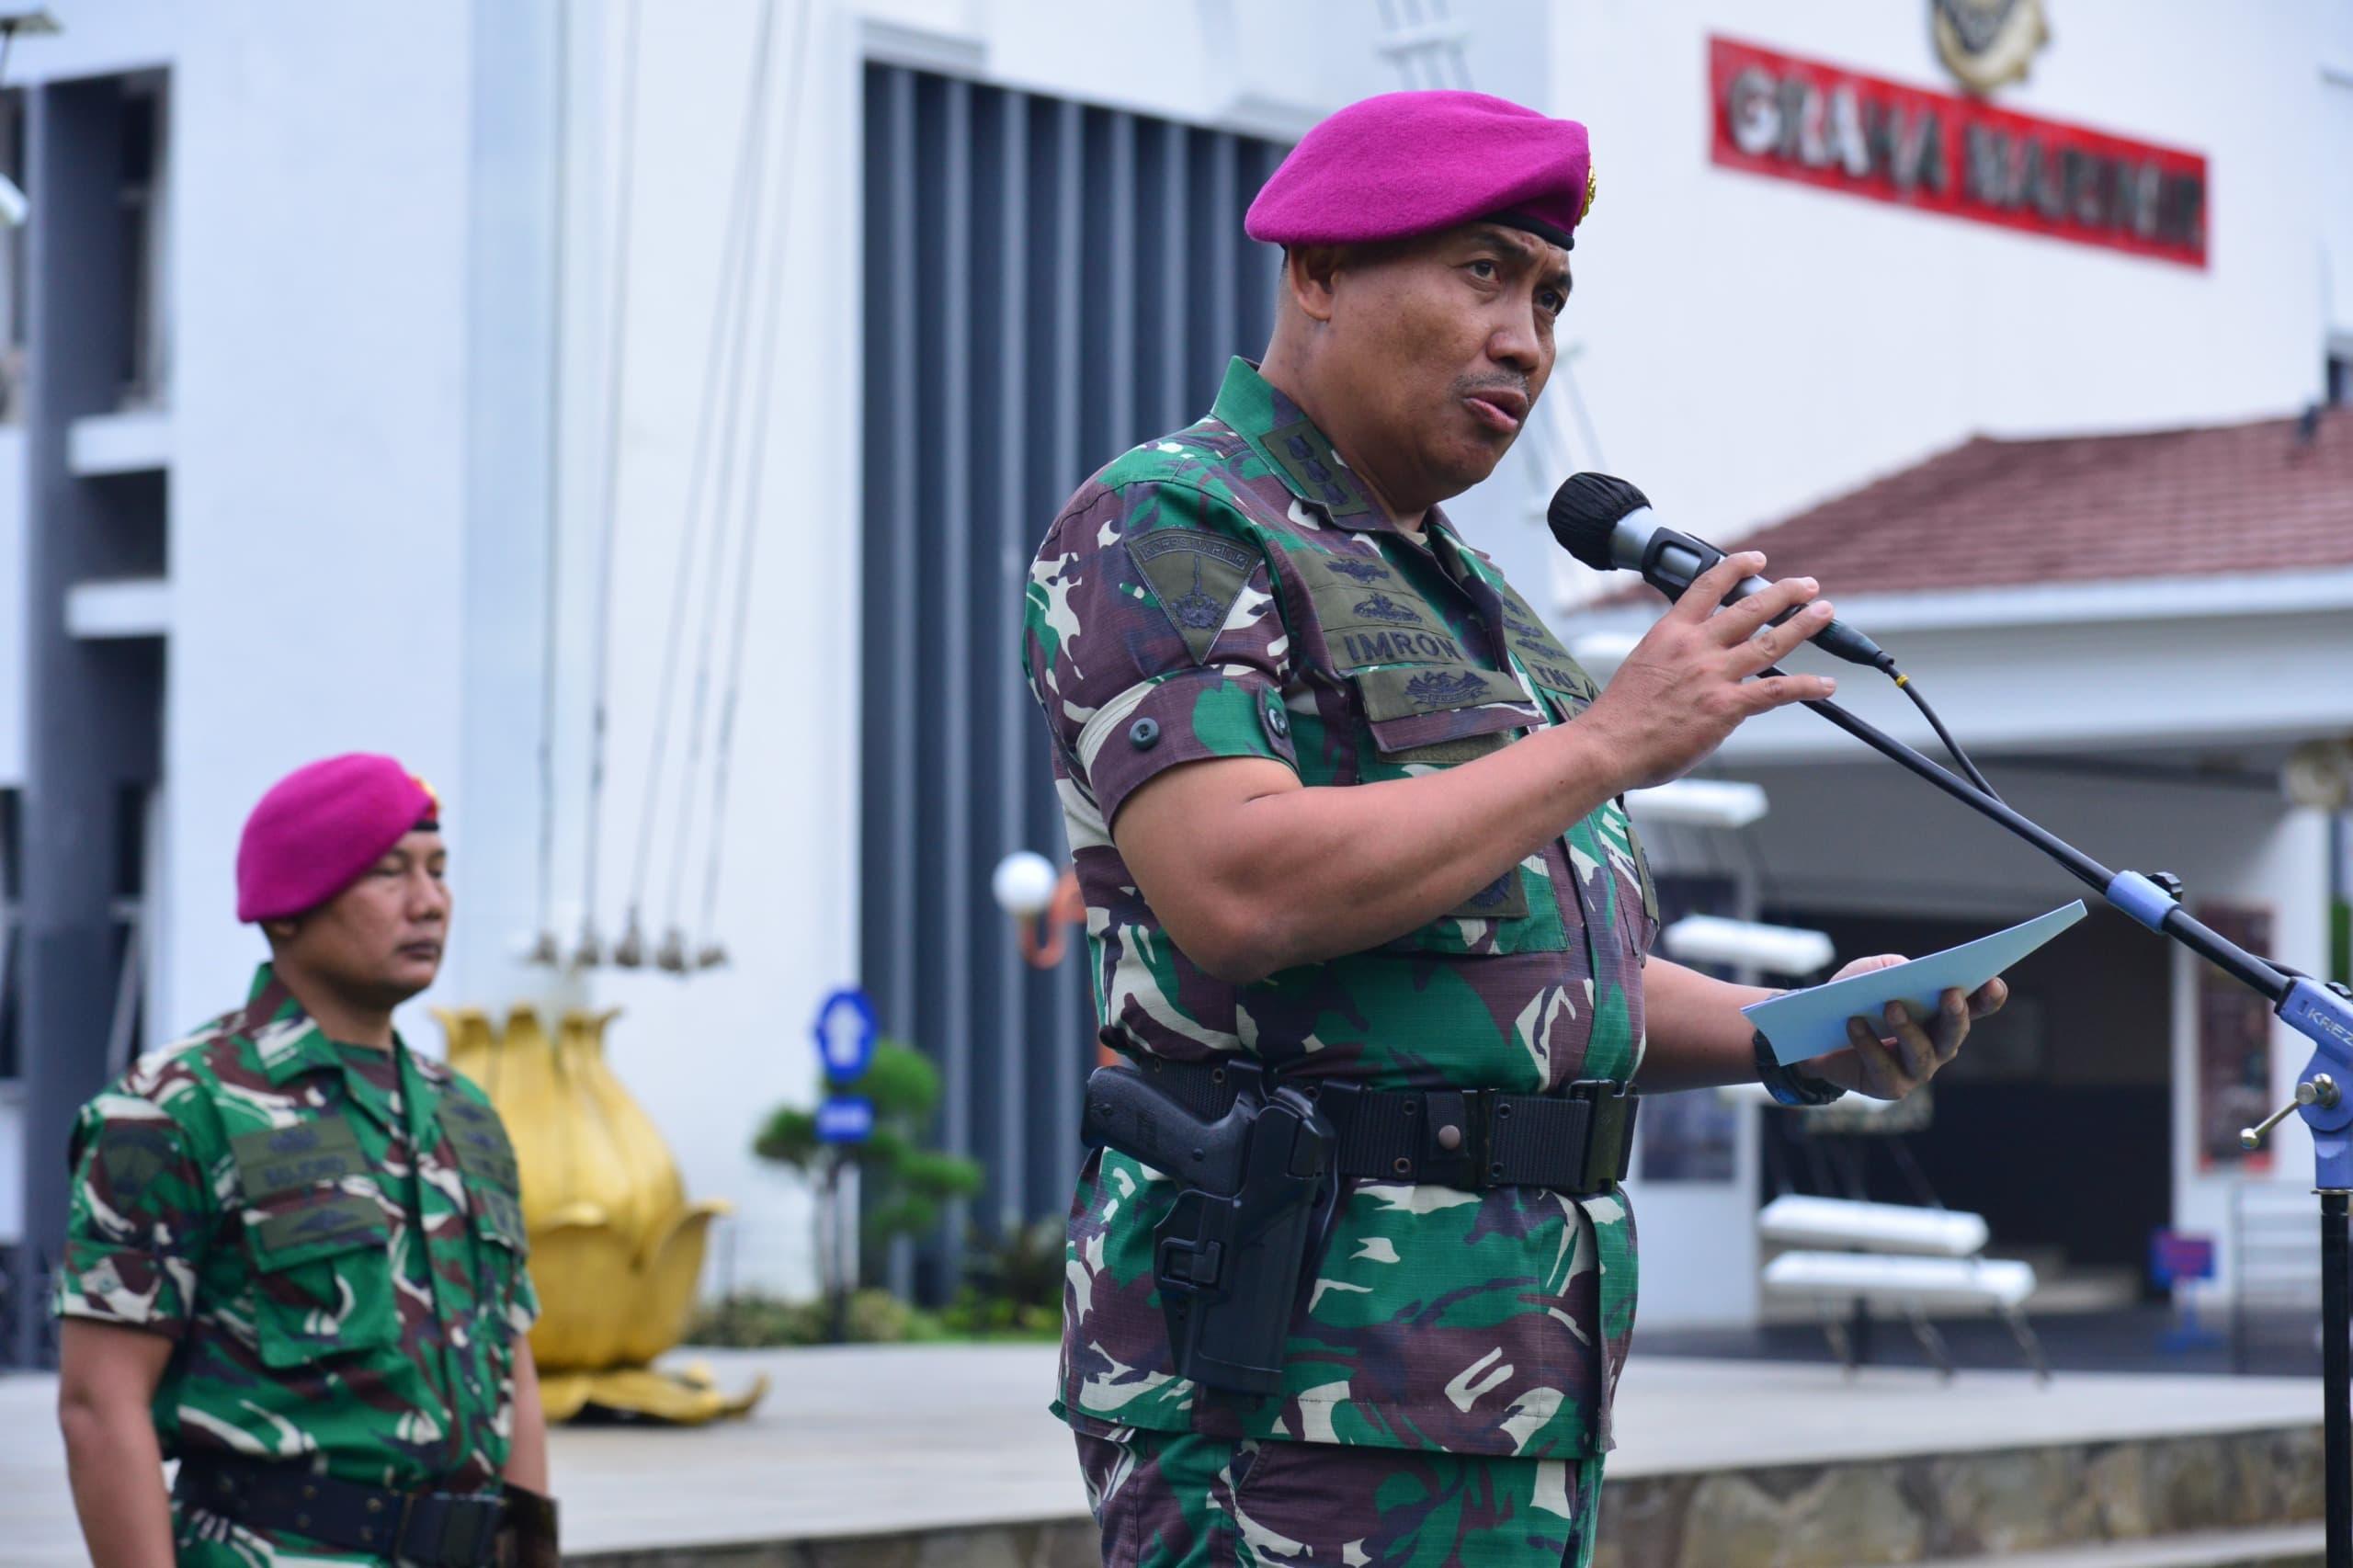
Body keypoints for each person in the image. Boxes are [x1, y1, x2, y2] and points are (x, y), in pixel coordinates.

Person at [1020, 90, 2006, 1567]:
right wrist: (1608, 742)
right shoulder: (1172, 522)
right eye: (1482, 271)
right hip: (1281, 1393)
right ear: (1321, 272)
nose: (1527, 340)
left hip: (1511, 1392)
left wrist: (1792, 1028)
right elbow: (1235, 885)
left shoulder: (1476, 604)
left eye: (1548, 295)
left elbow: (1545, 974)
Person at [52, 754, 557, 1567]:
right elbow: (99, 1405)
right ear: (289, 908)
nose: (429, 902)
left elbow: (514, 1374)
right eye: (388, 874)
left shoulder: (465, 1113)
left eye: (438, 870)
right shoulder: (178, 1107)